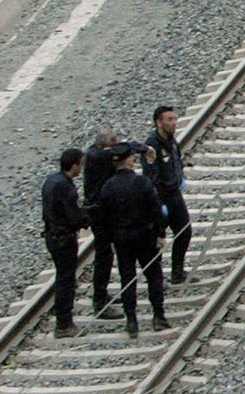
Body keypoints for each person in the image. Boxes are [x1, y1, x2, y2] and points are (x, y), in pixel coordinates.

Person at [96, 143, 168, 336]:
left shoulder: (108, 187)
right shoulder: (143, 182)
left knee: (127, 278)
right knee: (154, 275)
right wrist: (161, 234)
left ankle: (131, 321)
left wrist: (112, 238)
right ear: (128, 160)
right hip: (145, 235)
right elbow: (156, 210)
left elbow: (103, 218)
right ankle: (158, 316)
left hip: (122, 238)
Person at [144, 105, 193, 285]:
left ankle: (177, 271)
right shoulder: (152, 146)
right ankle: (155, 279)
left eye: (174, 119)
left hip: (175, 194)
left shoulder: (171, 141)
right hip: (161, 198)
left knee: (184, 231)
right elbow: (151, 176)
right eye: (169, 119)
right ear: (159, 122)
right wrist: (158, 202)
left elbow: (176, 161)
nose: (174, 123)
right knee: (157, 239)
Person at [41, 147, 88, 337]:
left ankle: (62, 318)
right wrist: (87, 218)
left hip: (51, 235)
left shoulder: (51, 180)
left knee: (62, 277)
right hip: (64, 239)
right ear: (75, 165)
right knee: (66, 280)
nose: (81, 168)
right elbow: (74, 216)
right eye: (80, 164)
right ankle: (63, 323)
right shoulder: (67, 187)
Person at [82, 126, 120, 317]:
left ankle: (102, 295)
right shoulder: (97, 156)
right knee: (104, 256)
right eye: (113, 141)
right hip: (99, 213)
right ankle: (99, 301)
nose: (116, 144)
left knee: (106, 255)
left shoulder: (97, 154)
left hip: (103, 211)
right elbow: (118, 153)